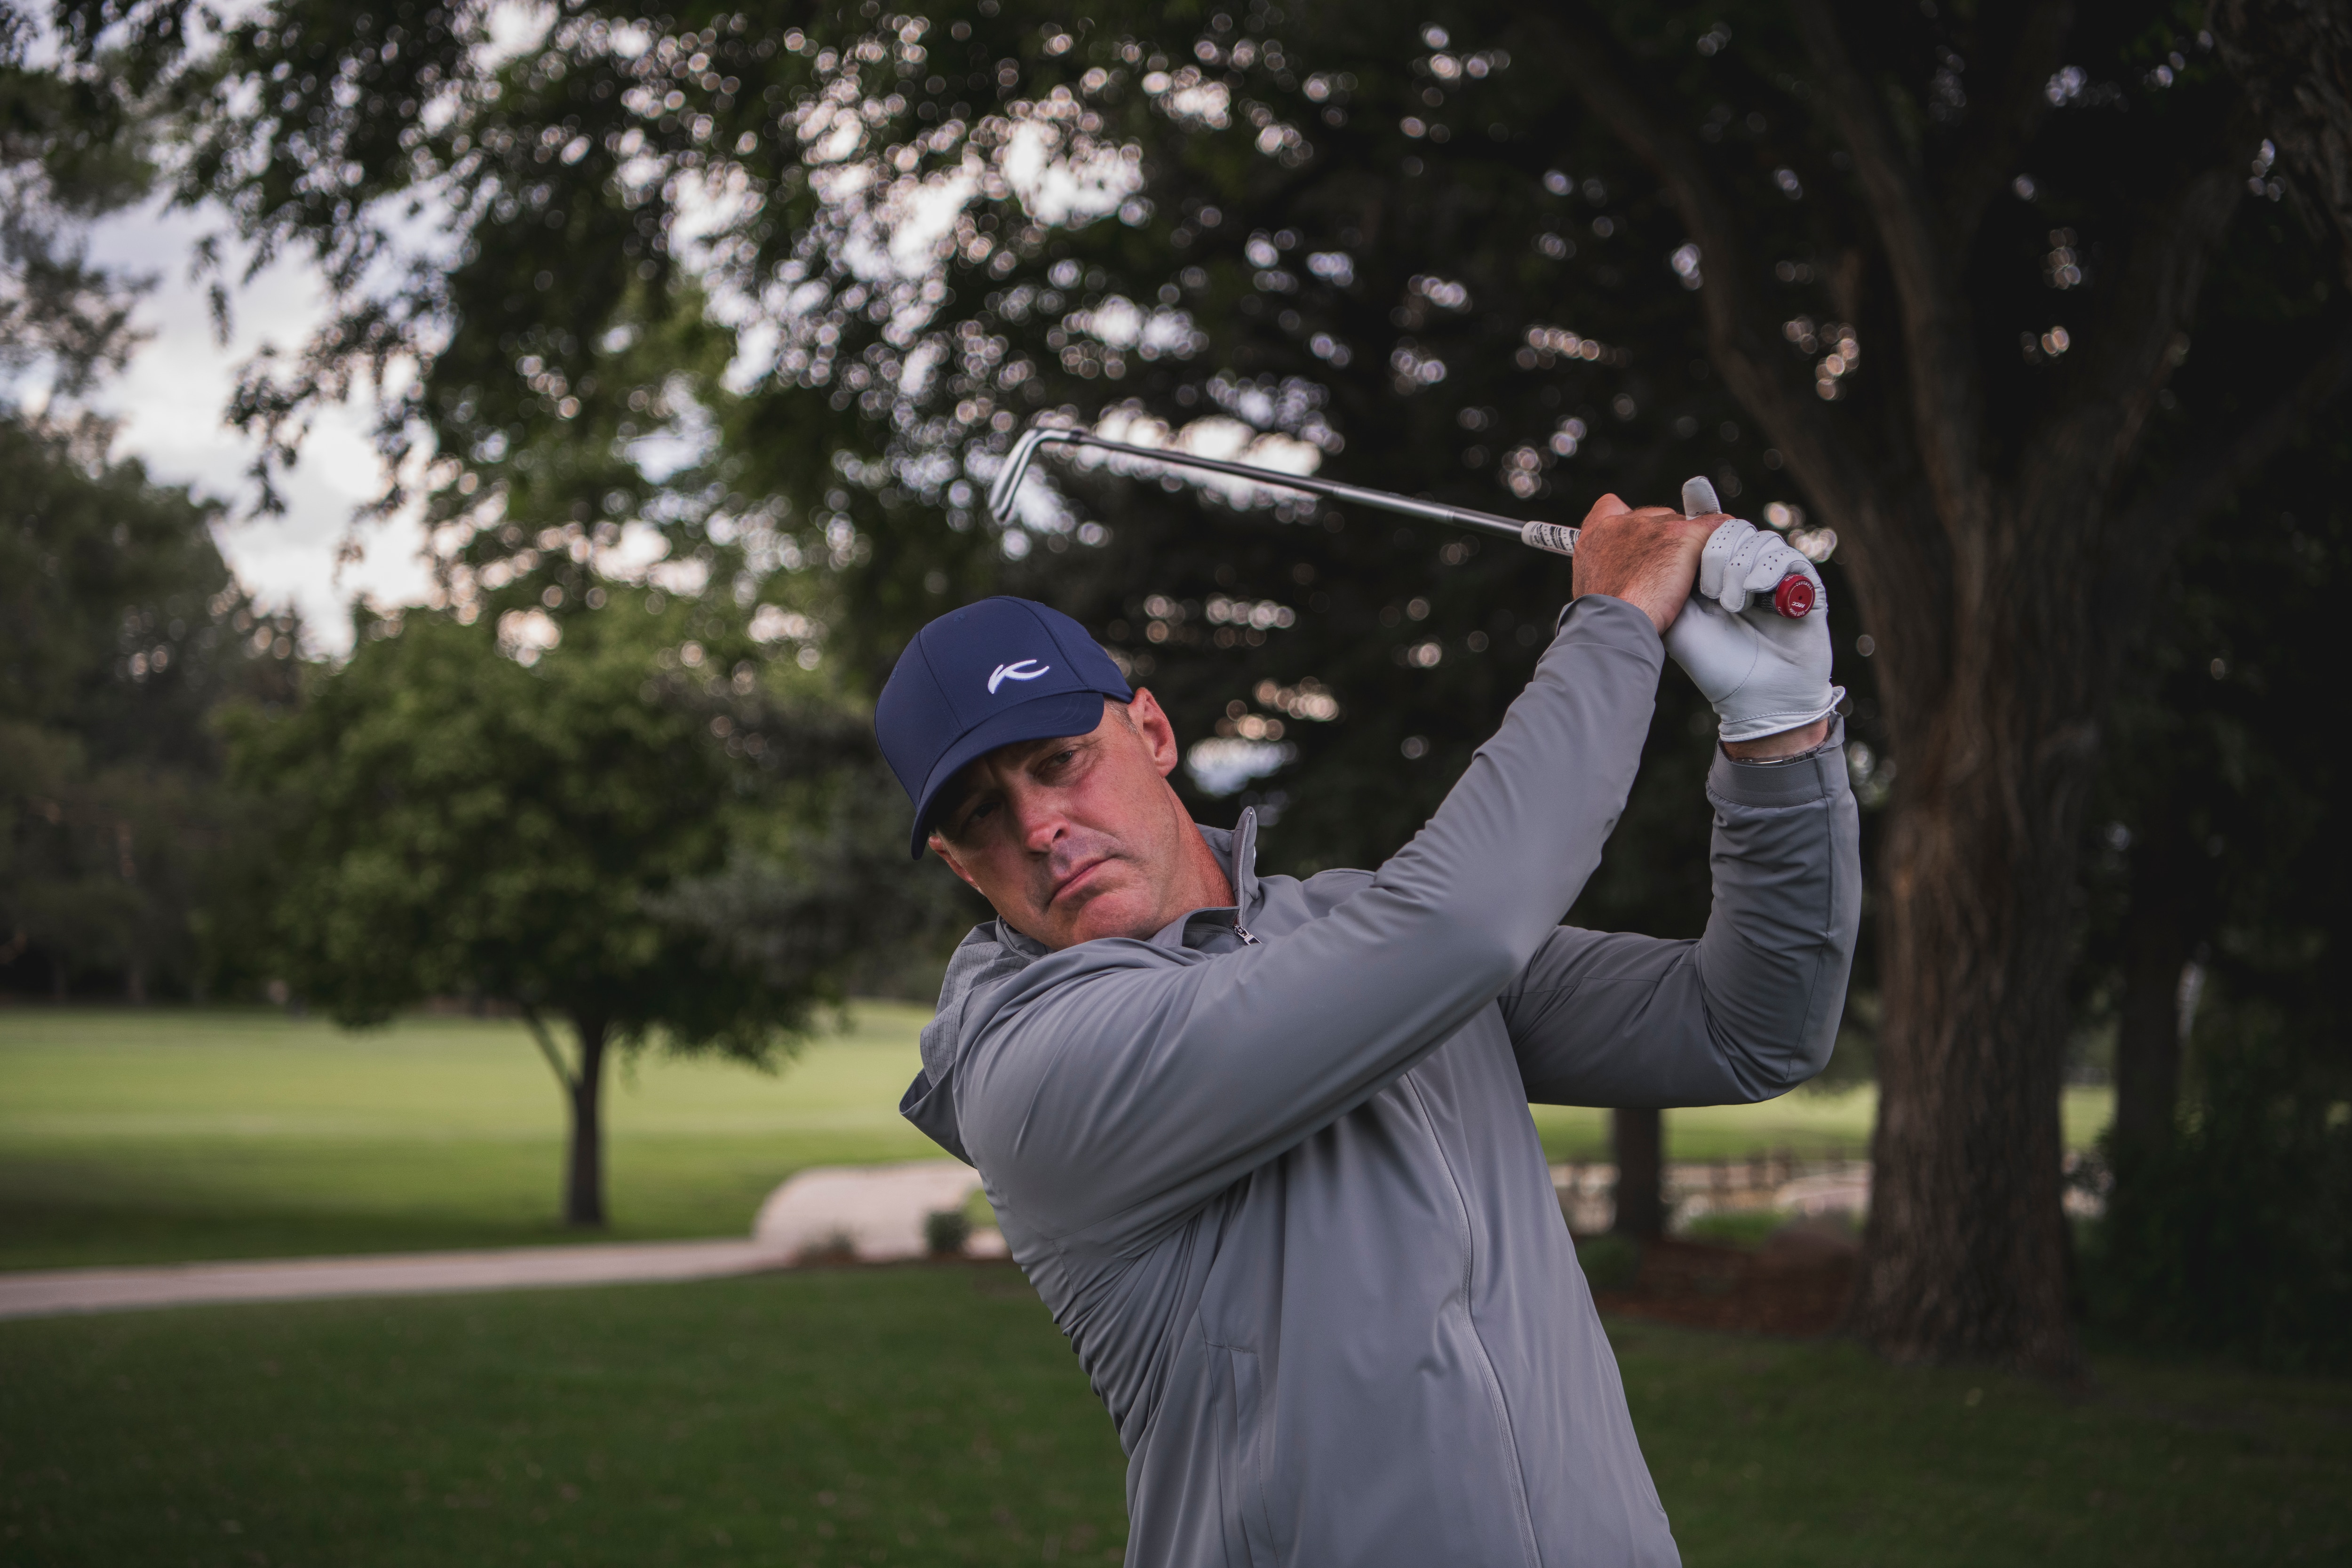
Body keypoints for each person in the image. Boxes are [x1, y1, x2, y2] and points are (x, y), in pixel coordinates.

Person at [874, 492, 1860, 1567]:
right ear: (956, 862)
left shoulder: (1353, 925)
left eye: (1057, 759)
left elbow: (1744, 1026)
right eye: (979, 813)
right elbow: (1461, 924)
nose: (1038, 825)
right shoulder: (1031, 1066)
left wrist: (1780, 738)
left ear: (1151, 732)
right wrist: (1615, 620)